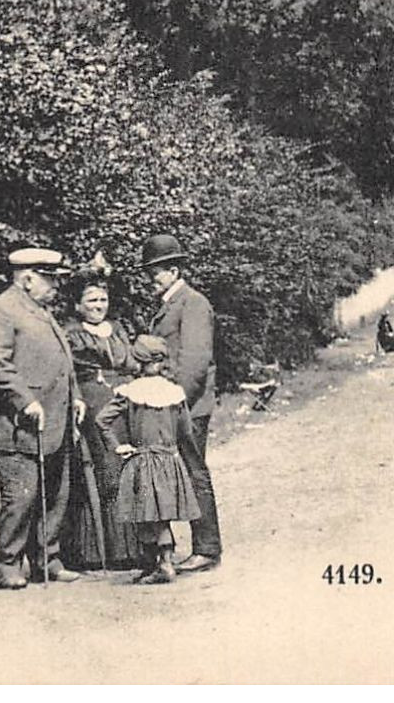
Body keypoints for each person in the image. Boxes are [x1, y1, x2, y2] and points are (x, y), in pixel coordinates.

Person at [0, 247, 84, 590]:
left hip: (55, 421)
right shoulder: (1, 310)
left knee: (55, 494)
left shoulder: (41, 311)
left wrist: (77, 397)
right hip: (17, 426)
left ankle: (46, 559)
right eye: (49, 279)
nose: (55, 286)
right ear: (27, 279)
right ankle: (7, 562)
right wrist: (25, 400)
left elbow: (63, 362)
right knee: (21, 497)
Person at [140, 233, 221, 572]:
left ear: (173, 270)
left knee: (192, 472)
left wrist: (176, 403)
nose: (150, 279)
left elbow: (195, 362)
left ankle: (207, 548)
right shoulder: (168, 305)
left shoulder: (193, 303)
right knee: (179, 473)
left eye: (155, 272)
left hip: (187, 405)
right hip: (170, 404)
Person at [97, 336, 201, 585]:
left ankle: (157, 564)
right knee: (162, 514)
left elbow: (102, 420)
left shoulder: (131, 392)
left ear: (138, 361)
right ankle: (164, 561)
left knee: (145, 514)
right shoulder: (174, 393)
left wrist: (118, 446)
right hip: (168, 458)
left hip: (142, 460)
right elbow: (187, 430)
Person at [61, 275, 143, 572]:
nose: (98, 306)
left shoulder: (118, 329)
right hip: (94, 404)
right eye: (92, 300)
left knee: (127, 464)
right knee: (103, 468)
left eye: (103, 300)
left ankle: (132, 547)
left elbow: (131, 361)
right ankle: (96, 551)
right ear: (78, 305)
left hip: (124, 403)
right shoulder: (72, 333)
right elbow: (71, 371)